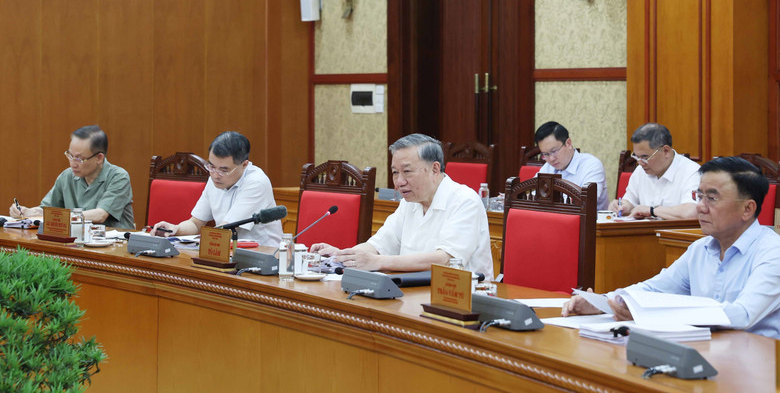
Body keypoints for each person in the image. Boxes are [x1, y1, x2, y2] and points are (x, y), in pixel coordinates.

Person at [565, 156, 780, 340]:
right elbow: (653, 289)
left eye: (712, 198)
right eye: (699, 196)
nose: (700, 207)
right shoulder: (700, 249)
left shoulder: (772, 253)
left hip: (768, 371)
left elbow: (741, 315)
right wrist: (605, 303)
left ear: (747, 209)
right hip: (715, 355)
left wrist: (650, 314)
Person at [310, 133, 494, 278]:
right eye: (395, 173)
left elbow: (445, 259)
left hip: (463, 301)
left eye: (407, 172)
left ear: (434, 169)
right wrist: (342, 257)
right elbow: (378, 245)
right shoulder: (410, 202)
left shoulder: (464, 201)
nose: (399, 182)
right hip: (415, 292)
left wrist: (378, 262)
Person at [150, 131, 282, 247]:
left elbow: (225, 230)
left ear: (244, 164)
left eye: (224, 170)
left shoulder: (256, 182)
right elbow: (196, 223)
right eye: (211, 166)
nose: (215, 175)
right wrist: (175, 229)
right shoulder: (214, 177)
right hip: (227, 253)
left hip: (262, 257)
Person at [9, 125, 134, 229]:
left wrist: (59, 217)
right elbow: (47, 210)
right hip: (75, 241)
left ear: (99, 158)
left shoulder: (118, 177)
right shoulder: (67, 176)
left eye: (79, 158)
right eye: (70, 155)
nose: (73, 163)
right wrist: (27, 212)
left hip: (114, 247)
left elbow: (100, 215)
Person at [608, 122, 700, 220]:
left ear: (666, 151)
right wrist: (622, 206)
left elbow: (691, 212)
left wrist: (652, 211)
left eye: (644, 157)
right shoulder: (640, 171)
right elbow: (630, 201)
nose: (640, 162)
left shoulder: (692, 172)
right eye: (636, 157)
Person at [535, 121, 609, 210]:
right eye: (545, 154)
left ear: (568, 143)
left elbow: (585, 203)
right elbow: (531, 195)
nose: (551, 159)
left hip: (588, 222)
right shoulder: (547, 167)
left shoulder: (591, 166)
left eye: (554, 151)